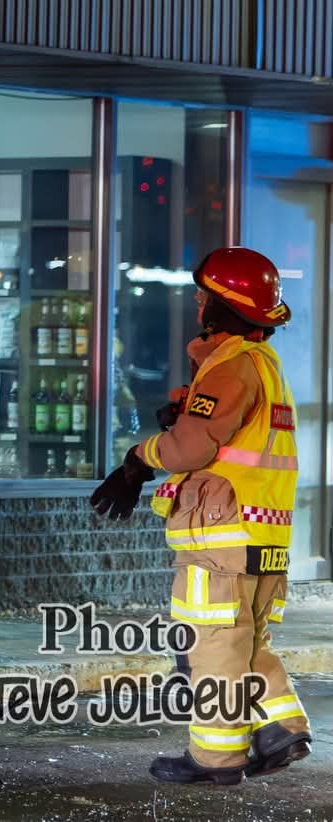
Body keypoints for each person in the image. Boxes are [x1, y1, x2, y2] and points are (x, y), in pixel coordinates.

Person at [89, 246, 311, 786]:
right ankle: (281, 728)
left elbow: (190, 448)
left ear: (223, 306)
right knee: (246, 642)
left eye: (203, 299)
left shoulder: (231, 366)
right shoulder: (264, 366)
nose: (197, 307)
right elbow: (228, 433)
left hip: (223, 535)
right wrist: (189, 405)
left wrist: (140, 459)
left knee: (212, 647)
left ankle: (216, 760)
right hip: (263, 533)